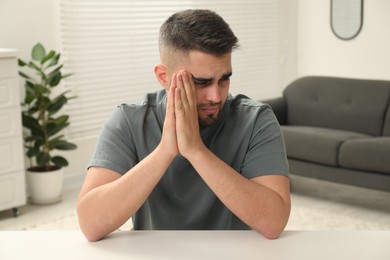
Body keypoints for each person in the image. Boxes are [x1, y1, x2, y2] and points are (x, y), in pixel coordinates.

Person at [77, 9, 290, 242]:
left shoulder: (256, 120)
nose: (216, 96)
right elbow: (90, 224)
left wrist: (196, 150)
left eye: (224, 79)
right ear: (163, 77)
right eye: (201, 82)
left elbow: (273, 223)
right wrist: (165, 151)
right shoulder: (129, 120)